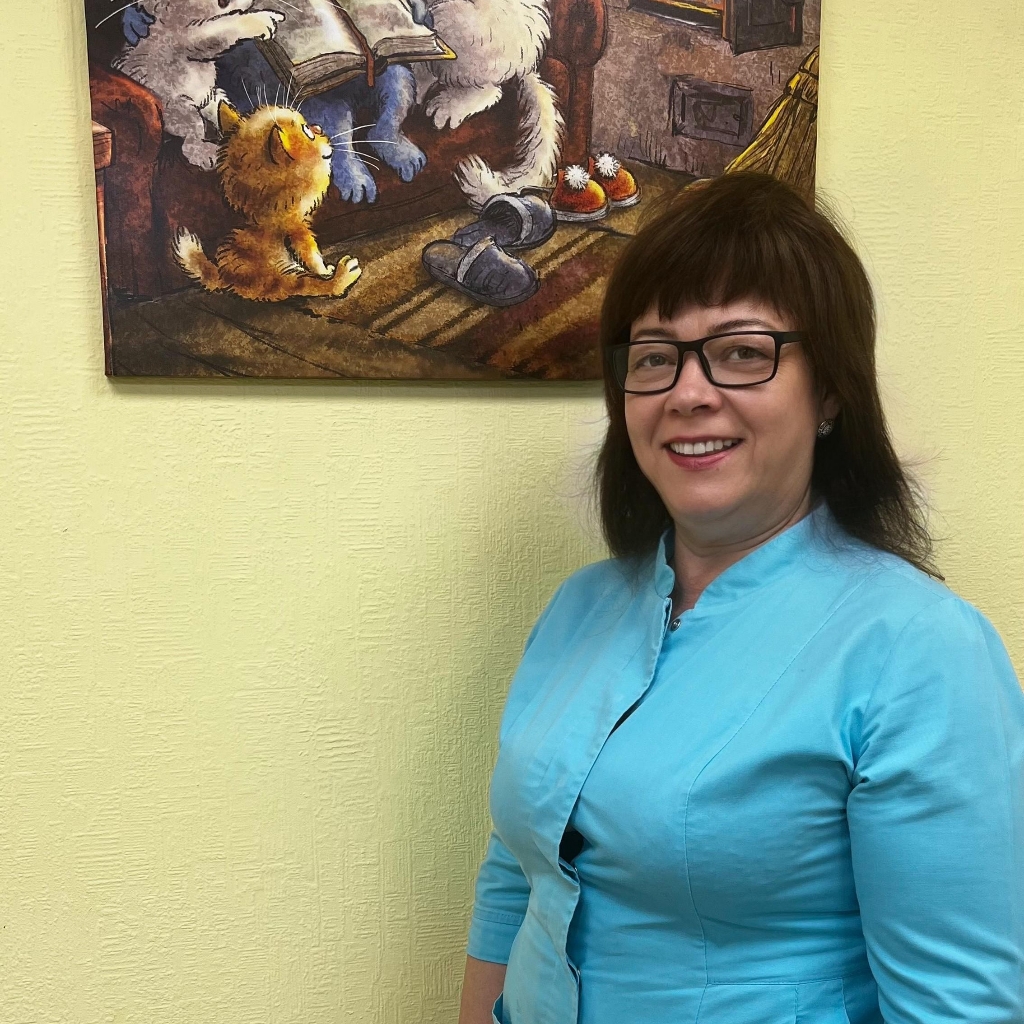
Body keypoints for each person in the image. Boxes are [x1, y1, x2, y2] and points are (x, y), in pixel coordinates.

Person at [457, 172, 1024, 1024]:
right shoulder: (580, 608)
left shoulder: (922, 654)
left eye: (743, 352)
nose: (689, 393)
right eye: (655, 357)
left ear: (829, 391)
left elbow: (958, 1007)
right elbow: (519, 873)